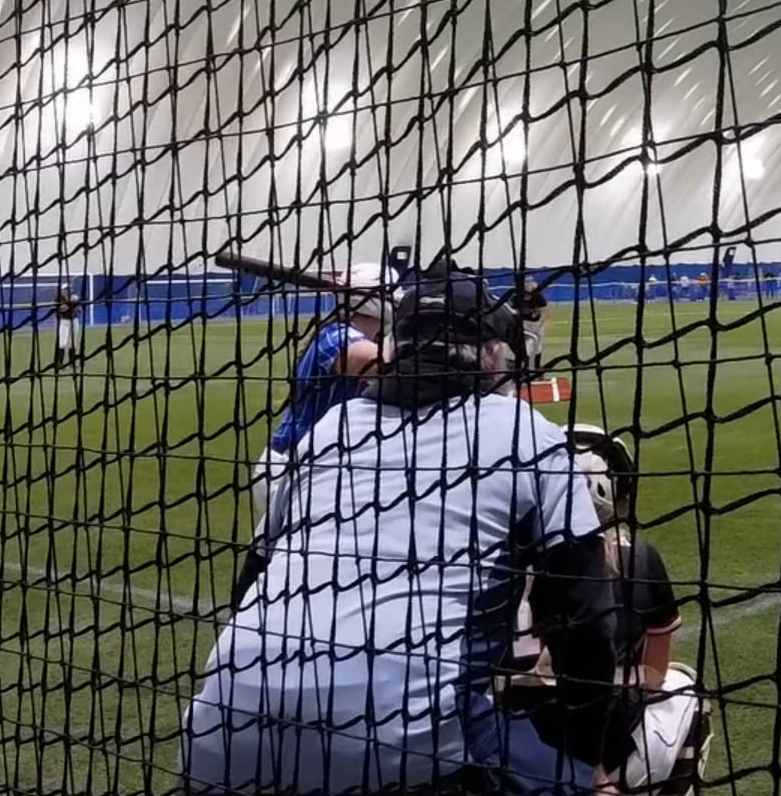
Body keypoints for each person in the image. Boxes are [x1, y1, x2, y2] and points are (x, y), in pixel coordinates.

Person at [184, 271, 638, 795]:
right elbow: (585, 621)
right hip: (404, 751)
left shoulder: (330, 429)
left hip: (220, 737)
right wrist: (588, 763)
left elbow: (251, 582)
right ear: (494, 356)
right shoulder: (528, 435)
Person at [498, 426, 710, 794]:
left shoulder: (492, 561)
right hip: (594, 753)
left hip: (500, 749)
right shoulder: (638, 558)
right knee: (686, 688)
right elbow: (655, 674)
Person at [235, 262, 393, 607]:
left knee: (292, 562)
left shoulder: (362, 337)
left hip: (319, 469)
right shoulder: (338, 337)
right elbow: (384, 365)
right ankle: (247, 619)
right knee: (291, 565)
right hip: (291, 468)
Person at [52, 284, 82, 368]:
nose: (68, 291)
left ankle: (72, 362)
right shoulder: (59, 299)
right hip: (64, 321)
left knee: (72, 342)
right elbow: (61, 309)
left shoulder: (74, 297)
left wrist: (75, 306)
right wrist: (70, 304)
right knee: (62, 342)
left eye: (69, 289)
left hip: (74, 320)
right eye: (66, 289)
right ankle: (60, 363)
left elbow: (79, 310)